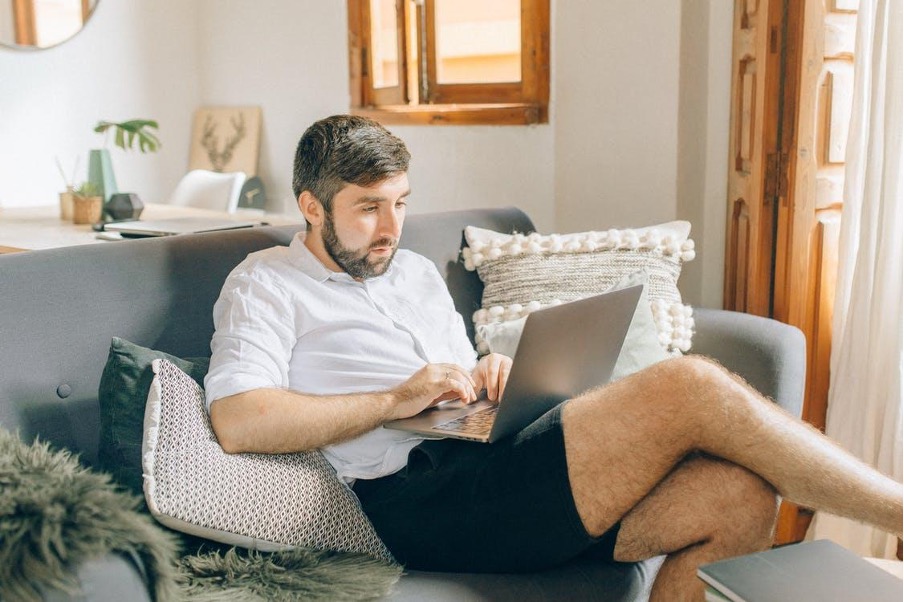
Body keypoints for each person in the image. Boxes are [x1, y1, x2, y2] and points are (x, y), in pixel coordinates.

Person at [204, 115, 903, 601]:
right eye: (368, 209)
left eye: (401, 204)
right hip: (419, 498)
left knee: (739, 495)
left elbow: (456, 377)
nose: (391, 228)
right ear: (312, 207)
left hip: (494, 458)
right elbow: (239, 420)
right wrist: (393, 401)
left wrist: (486, 373)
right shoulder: (265, 283)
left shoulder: (412, 272)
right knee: (688, 385)